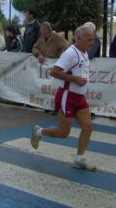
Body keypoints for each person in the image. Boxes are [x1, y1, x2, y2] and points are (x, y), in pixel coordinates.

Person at [31, 25, 96, 171]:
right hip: (67, 96)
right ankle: (39, 132)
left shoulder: (84, 52)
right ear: (79, 38)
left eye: (93, 39)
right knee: (63, 133)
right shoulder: (70, 53)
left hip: (80, 97)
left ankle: (79, 159)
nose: (92, 42)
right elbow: (54, 72)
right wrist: (74, 79)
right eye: (89, 39)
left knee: (88, 127)